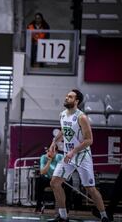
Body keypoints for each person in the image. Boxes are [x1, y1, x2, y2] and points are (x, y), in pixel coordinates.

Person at [49, 89, 109, 222]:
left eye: (70, 97)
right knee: (55, 182)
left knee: (90, 188)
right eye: (66, 96)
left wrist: (73, 151)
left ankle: (104, 216)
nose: (66, 98)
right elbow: (64, 131)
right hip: (68, 155)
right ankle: (63, 216)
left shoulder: (81, 117)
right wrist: (54, 142)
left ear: (77, 101)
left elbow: (89, 140)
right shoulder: (63, 114)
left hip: (82, 155)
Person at [35, 145, 63, 213]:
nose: (48, 152)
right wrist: (49, 161)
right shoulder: (44, 157)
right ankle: (39, 205)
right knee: (40, 180)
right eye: (48, 151)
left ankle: (66, 207)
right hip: (48, 179)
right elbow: (42, 172)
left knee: (69, 180)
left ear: (56, 151)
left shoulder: (60, 157)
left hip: (58, 179)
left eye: (50, 151)